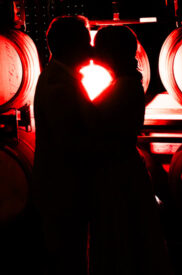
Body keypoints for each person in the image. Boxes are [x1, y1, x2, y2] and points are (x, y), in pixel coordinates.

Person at [87, 26, 172, 275]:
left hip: (118, 174)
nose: (94, 54)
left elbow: (100, 128)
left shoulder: (123, 87)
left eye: (99, 49)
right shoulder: (126, 83)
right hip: (122, 169)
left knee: (122, 236)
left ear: (111, 52)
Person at [32, 15, 93, 275]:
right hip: (64, 189)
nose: (91, 49)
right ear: (71, 46)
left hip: (61, 188)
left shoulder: (58, 76)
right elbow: (71, 144)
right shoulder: (59, 85)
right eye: (85, 42)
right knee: (70, 258)